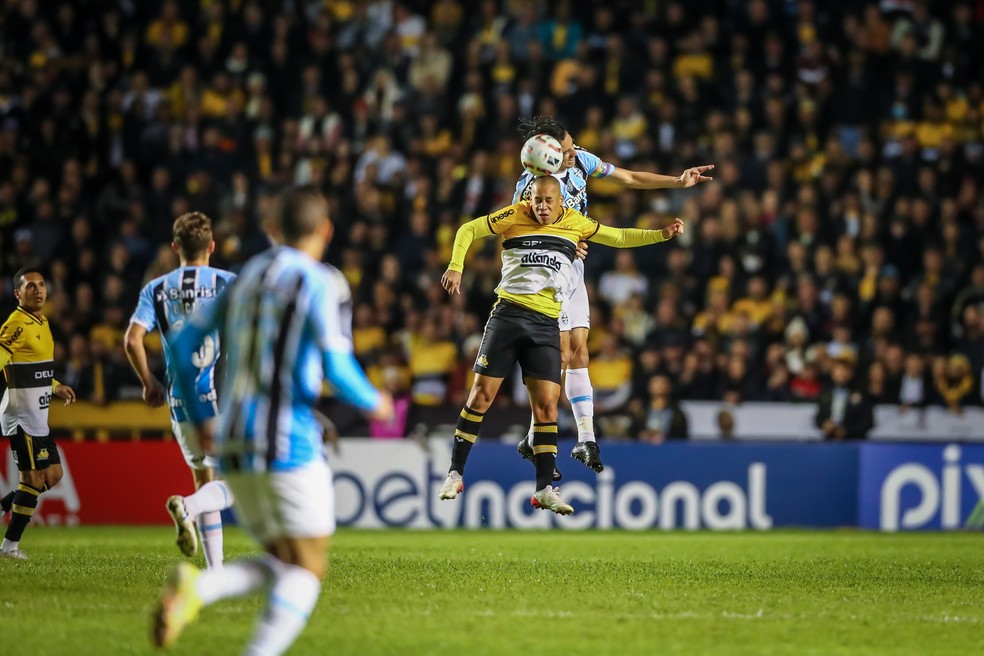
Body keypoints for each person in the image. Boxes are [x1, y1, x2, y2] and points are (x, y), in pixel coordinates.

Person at [151, 185, 392, 655]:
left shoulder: (243, 277)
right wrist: (376, 401)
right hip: (289, 440)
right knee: (306, 570)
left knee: (284, 561)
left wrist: (202, 417)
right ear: (325, 230)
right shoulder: (320, 281)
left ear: (272, 229)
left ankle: (201, 589)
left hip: (233, 437)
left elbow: (180, 347)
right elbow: (338, 367)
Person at [438, 176, 683, 514]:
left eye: (547, 201)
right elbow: (467, 230)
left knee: (548, 408)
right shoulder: (513, 215)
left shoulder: (575, 223)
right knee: (480, 397)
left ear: (561, 202)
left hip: (545, 326)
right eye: (536, 200)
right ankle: (455, 472)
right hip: (507, 317)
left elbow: (620, 235)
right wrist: (456, 265)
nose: (540, 207)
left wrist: (661, 235)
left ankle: (544, 489)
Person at [513, 115, 712, 475]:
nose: (575, 155)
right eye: (568, 151)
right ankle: (538, 433)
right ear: (547, 156)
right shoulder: (530, 189)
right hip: (544, 274)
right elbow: (514, 238)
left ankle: (584, 438)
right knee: (558, 350)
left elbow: (629, 178)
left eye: (573, 147)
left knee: (579, 349)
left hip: (574, 268)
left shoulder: (582, 160)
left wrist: (678, 182)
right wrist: (563, 240)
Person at [124, 212, 236, 569]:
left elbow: (132, 340)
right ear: (212, 247)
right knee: (245, 484)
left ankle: (215, 571)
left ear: (175, 248)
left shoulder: (155, 288)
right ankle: (187, 506)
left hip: (180, 401)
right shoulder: (228, 283)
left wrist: (148, 383)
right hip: (222, 396)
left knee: (206, 480)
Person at [0, 268, 77, 559]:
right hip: (20, 415)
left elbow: (35, 368)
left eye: (42, 285)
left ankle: (3, 506)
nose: (38, 290)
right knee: (32, 479)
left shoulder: (42, 321)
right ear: (17, 293)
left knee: (53, 475)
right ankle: (10, 547)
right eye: (30, 286)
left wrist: (55, 386)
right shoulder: (16, 325)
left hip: (39, 415)